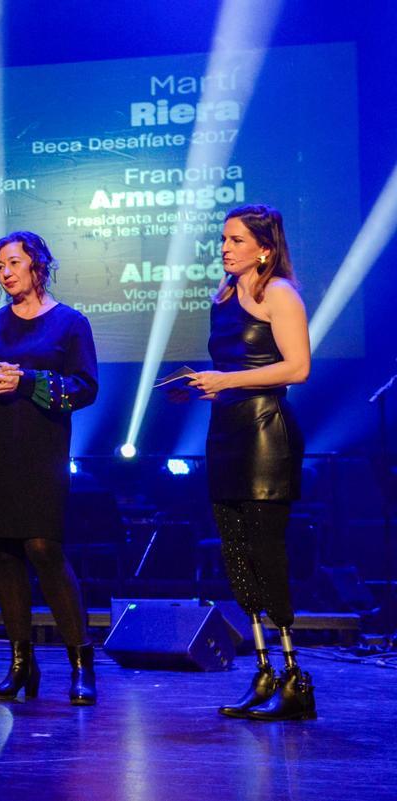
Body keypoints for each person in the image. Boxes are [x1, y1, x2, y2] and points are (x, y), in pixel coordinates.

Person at [0, 231, 99, 705]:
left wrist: (29, 378)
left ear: (37, 264)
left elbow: (85, 386)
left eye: (14, 262)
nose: (6, 272)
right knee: (4, 554)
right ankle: (21, 665)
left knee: (43, 547)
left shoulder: (69, 323)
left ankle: (80, 661)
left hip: (42, 450)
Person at [185, 204, 314, 721]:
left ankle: (294, 677)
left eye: (235, 240)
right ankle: (261, 671)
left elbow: (298, 367)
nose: (224, 247)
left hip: (265, 435)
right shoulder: (223, 295)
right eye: (222, 239)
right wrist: (205, 389)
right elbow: (233, 368)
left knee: (266, 551)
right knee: (235, 552)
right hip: (227, 431)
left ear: (263, 247)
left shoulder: (279, 293)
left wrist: (228, 382)